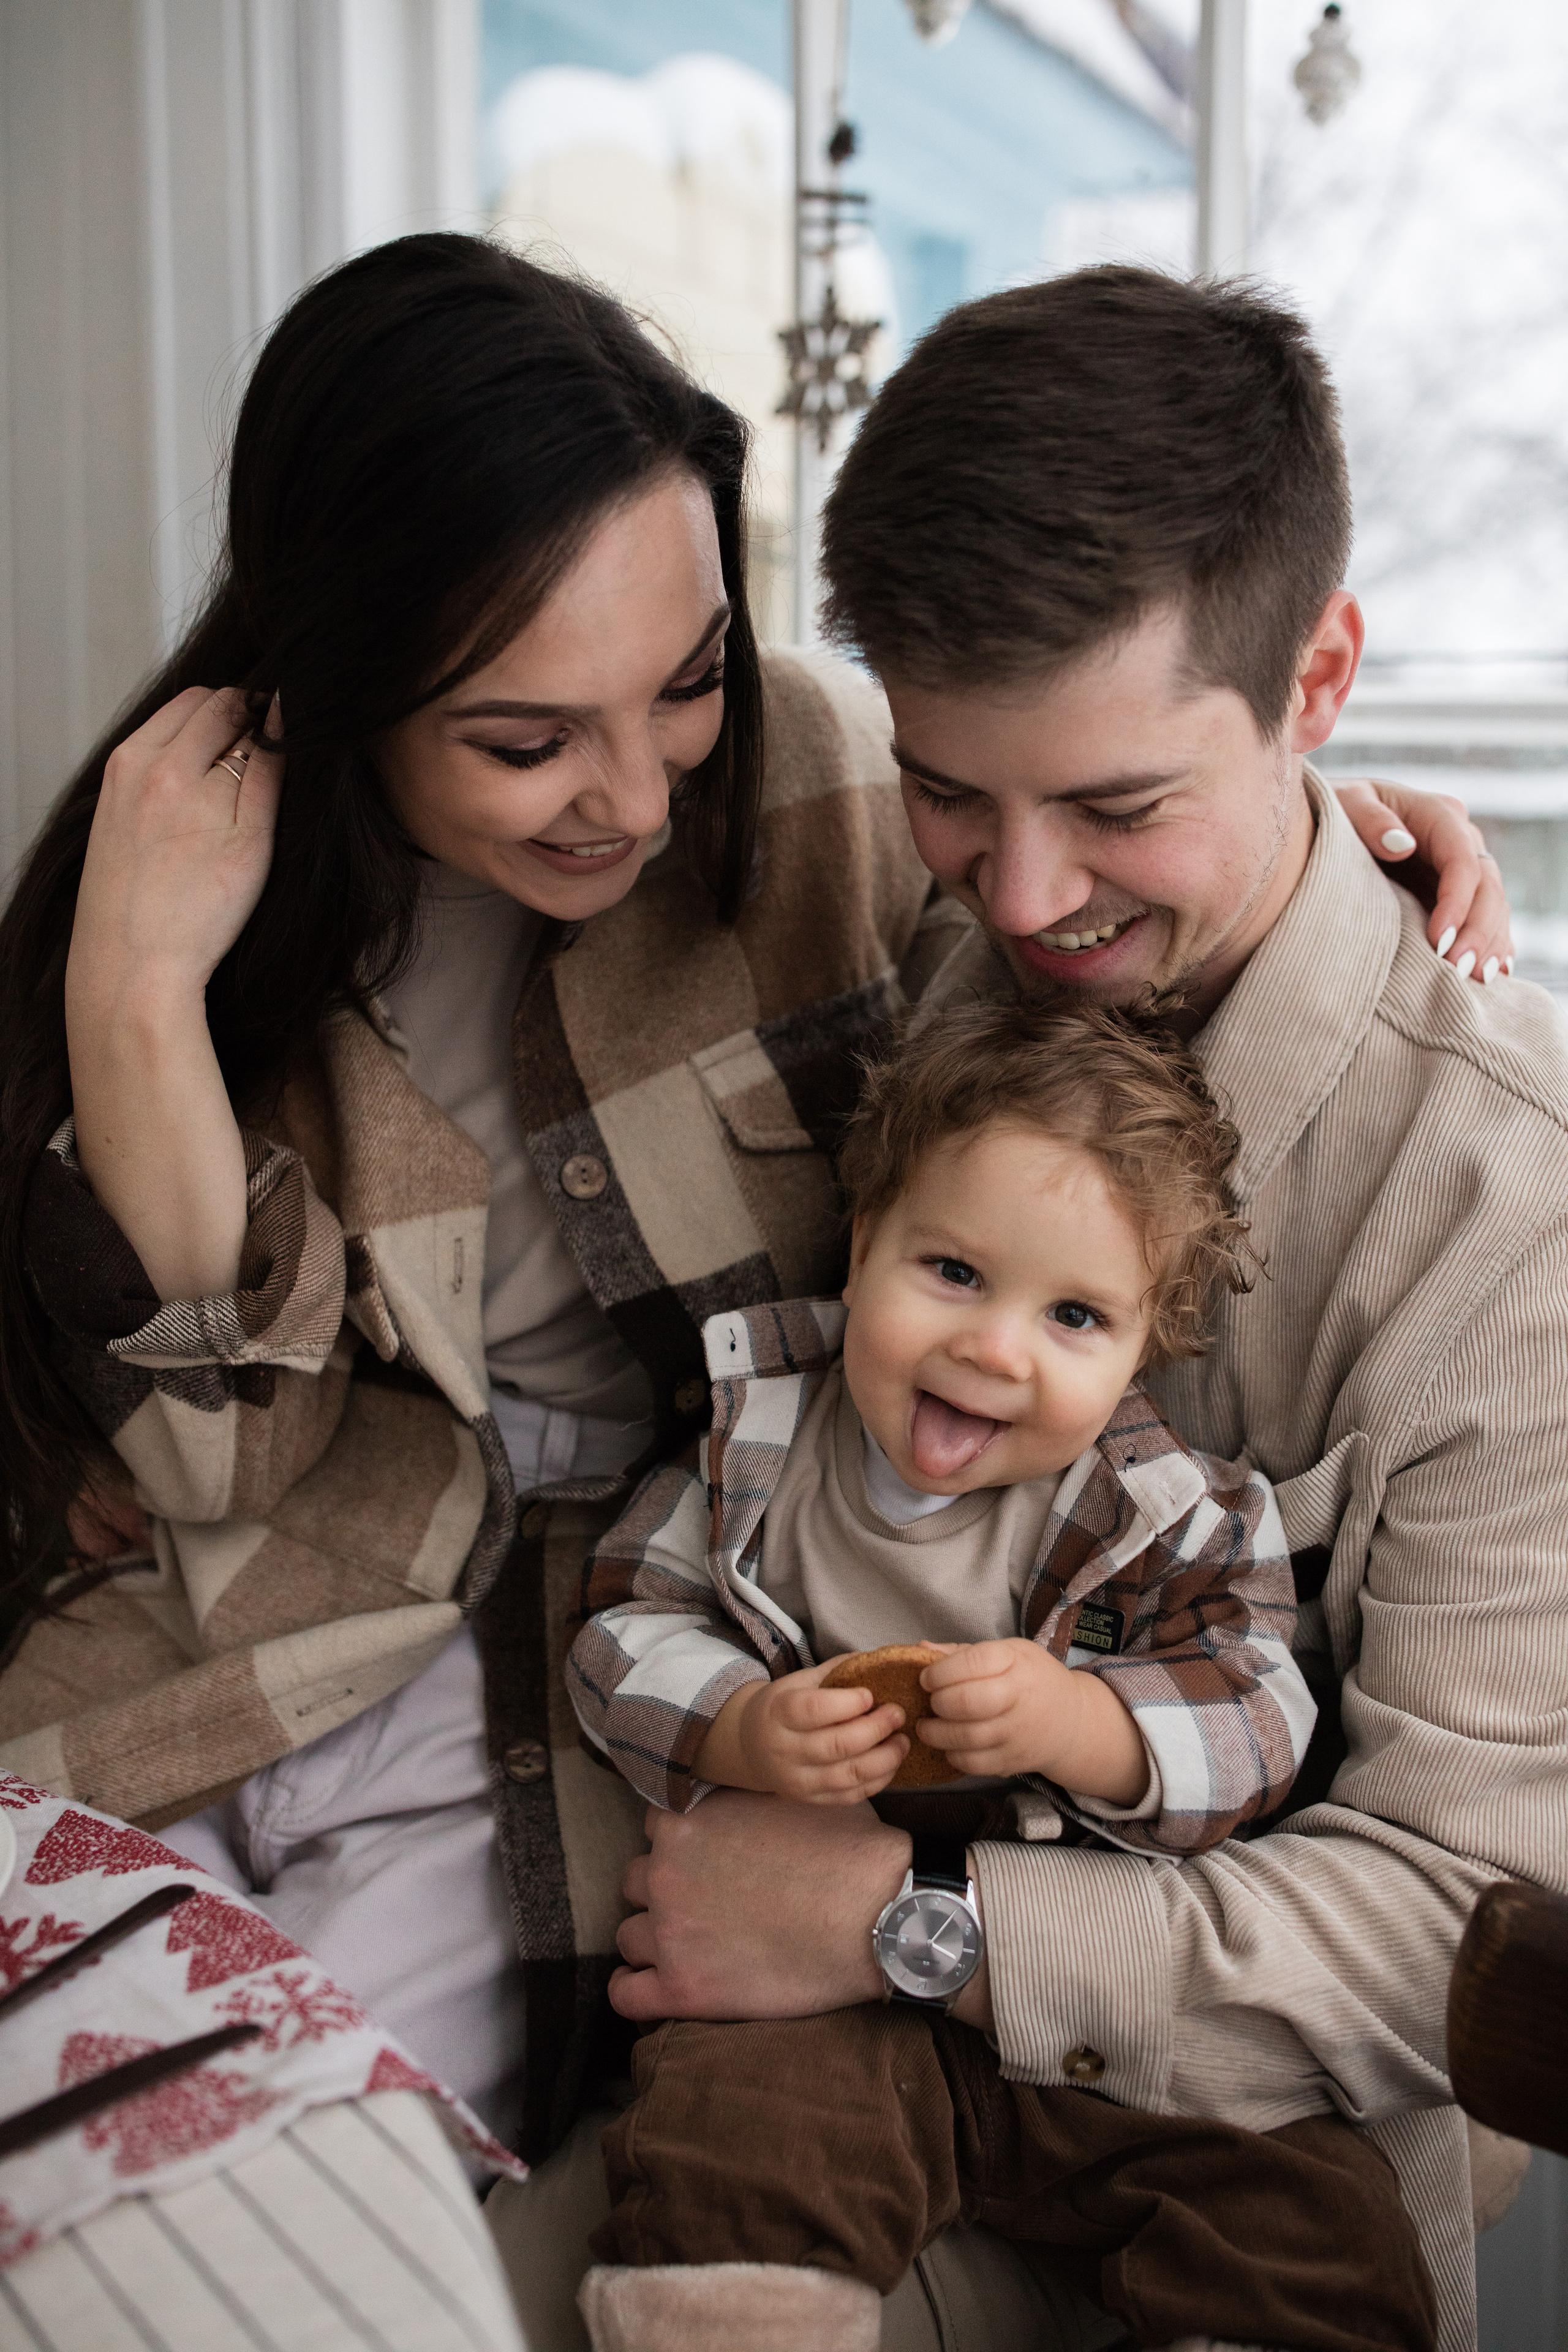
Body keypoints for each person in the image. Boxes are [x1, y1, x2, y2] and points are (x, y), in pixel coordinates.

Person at [0, 234, 1510, 2348]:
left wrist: (1309, 826)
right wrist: (135, 999)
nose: (634, 793)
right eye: (528, 737)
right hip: (322, 1627)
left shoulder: (821, 804)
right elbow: (210, 1463)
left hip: (671, 1734)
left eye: (687, 684)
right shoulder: (257, 891)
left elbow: (1477, 1933)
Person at [582, 269, 1567, 2352]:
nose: (1021, 901)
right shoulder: (956, 959)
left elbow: (1473, 1936)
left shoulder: (1510, 1210)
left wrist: (921, 1926)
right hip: (788, 2063)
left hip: (1246, 2136)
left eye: (1118, 807)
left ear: (1321, 681)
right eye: (956, 791)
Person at [565, 1000, 1436, 2350]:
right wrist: (737, 1727)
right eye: (954, 1273)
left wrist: (1087, 1723)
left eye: (1074, 1314)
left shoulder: (1171, 1514)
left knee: (1305, 2211)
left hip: (1089, 1985)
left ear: (1139, 1352)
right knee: (727, 2148)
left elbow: (1260, 1710)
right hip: (809, 1977)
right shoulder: (763, 1445)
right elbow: (629, 1615)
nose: (993, 1347)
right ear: (861, 1250)